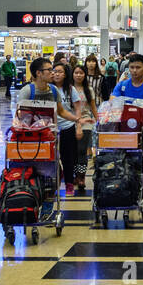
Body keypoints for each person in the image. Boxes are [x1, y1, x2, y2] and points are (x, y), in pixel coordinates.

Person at [52, 62, 83, 195]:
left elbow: (77, 109)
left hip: (67, 127)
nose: (56, 74)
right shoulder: (48, 89)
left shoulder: (70, 89)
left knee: (67, 157)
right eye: (54, 71)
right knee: (51, 157)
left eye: (60, 72)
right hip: (50, 128)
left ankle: (69, 183)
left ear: (65, 75)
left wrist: (79, 126)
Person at [111, 54, 143, 132]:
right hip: (125, 128)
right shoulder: (121, 85)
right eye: (132, 67)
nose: (134, 70)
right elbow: (112, 102)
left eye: (138, 67)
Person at [71, 63, 98, 195]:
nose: (78, 75)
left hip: (86, 122)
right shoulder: (68, 89)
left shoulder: (89, 90)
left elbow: (93, 107)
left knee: (82, 150)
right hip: (70, 122)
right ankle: (76, 174)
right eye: (76, 72)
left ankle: (81, 177)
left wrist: (99, 121)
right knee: (73, 150)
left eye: (81, 73)